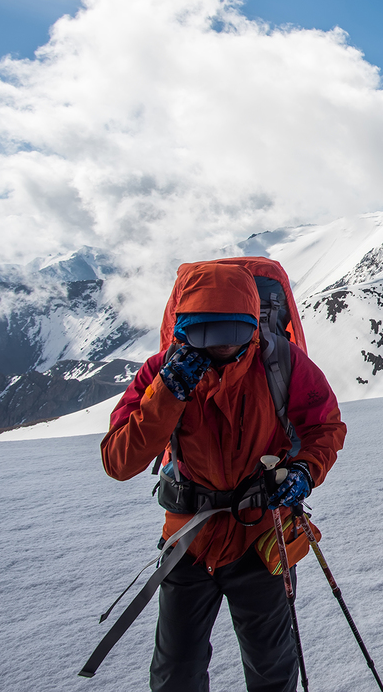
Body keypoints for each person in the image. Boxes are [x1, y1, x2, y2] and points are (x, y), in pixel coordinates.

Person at [101, 262, 346, 692]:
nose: (218, 349)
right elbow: (119, 461)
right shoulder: (161, 372)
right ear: (183, 330)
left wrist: (306, 469)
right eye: (203, 336)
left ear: (252, 326)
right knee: (177, 671)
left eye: (231, 336)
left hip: (261, 537)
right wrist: (165, 396)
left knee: (271, 666)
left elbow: (325, 427)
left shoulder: (281, 363)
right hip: (188, 543)